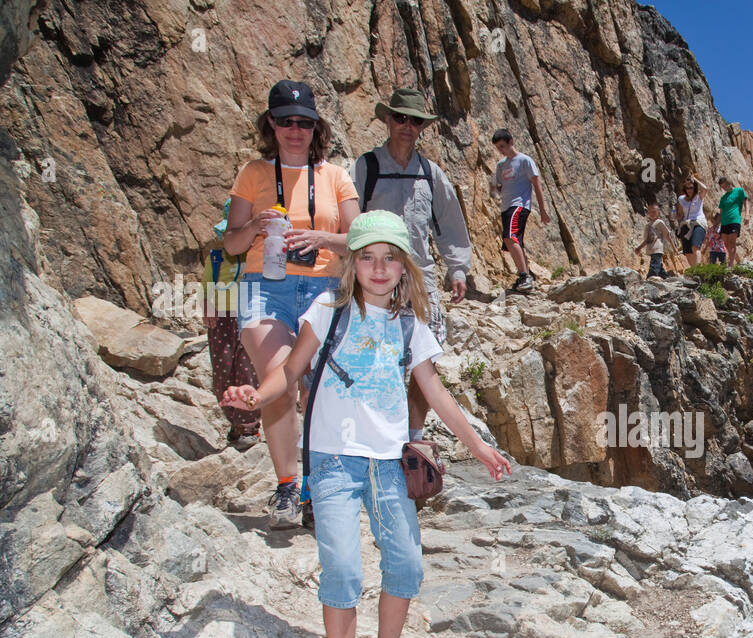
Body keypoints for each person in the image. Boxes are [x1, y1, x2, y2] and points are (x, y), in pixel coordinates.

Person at [220, 211, 512, 638]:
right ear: (353, 263)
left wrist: (479, 446)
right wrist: (255, 396)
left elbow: (437, 394)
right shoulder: (328, 309)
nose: (379, 269)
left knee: (404, 562)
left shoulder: (409, 325)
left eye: (390, 258)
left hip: (387, 462)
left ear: (403, 267)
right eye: (368, 257)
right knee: (343, 570)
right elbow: (289, 372)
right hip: (332, 459)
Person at [223, 80, 360, 529]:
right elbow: (231, 245)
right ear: (272, 124)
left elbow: (359, 240)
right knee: (279, 377)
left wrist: (321, 238)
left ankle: (317, 487)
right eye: (286, 121)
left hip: (323, 287)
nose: (295, 130)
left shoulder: (336, 176)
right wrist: (258, 227)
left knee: (318, 389)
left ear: (315, 127)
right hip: (266, 285)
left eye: (304, 122)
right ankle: (287, 483)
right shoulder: (253, 174)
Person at [353, 88, 472, 449]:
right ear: (388, 120)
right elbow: (348, 221)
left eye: (415, 121)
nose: (407, 126)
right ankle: (374, 430)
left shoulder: (430, 173)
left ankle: (412, 436)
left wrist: (458, 269)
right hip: (376, 279)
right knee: (375, 357)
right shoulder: (366, 167)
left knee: (426, 359)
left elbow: (450, 223)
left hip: (421, 278)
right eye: (400, 118)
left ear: (422, 127)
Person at [207, 199, 260, 450]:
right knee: (223, 369)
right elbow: (208, 283)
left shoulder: (259, 258)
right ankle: (234, 420)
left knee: (248, 369)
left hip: (252, 316)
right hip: (223, 320)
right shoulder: (217, 258)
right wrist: (207, 304)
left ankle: (250, 423)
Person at [489, 128, 550, 293]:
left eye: (502, 146)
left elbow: (537, 184)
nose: (501, 151)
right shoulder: (501, 165)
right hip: (506, 206)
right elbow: (499, 188)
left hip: (520, 205)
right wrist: (493, 188)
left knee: (510, 237)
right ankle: (525, 276)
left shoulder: (524, 160)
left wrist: (543, 210)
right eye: (498, 148)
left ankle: (525, 276)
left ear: (511, 142)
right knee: (516, 242)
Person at [634, 202, 675, 278]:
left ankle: (650, 278)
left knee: (654, 266)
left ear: (658, 212)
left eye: (654, 212)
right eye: (650, 212)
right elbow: (647, 240)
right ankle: (666, 277)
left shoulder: (659, 222)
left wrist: (674, 248)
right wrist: (639, 248)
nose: (652, 214)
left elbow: (667, 235)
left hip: (657, 248)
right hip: (651, 249)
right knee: (659, 267)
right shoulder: (648, 225)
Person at [675, 175, 708, 266]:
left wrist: (696, 180)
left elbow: (705, 189)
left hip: (698, 223)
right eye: (687, 188)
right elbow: (681, 214)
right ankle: (693, 271)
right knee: (687, 251)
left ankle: (698, 270)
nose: (689, 190)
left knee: (695, 246)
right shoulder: (681, 199)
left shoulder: (699, 197)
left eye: (691, 187)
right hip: (686, 224)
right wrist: (675, 217)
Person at [717, 176, 748, 267]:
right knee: (726, 244)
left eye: (725, 185)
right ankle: (738, 260)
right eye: (722, 187)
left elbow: (746, 202)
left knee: (732, 242)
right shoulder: (723, 198)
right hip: (724, 222)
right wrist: (717, 225)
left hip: (734, 220)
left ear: (729, 183)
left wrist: (747, 215)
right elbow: (721, 212)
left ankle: (730, 265)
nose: (724, 188)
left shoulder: (739, 191)